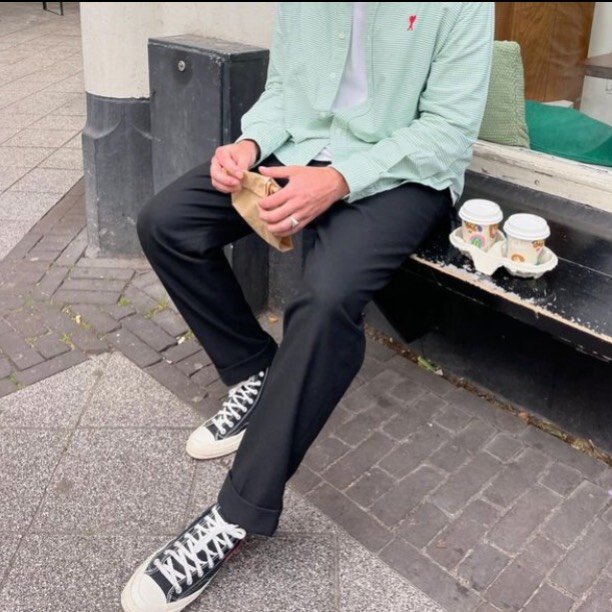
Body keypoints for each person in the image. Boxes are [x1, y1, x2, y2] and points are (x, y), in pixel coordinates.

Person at [121, 3, 494, 610]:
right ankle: (254, 373)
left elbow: (448, 131)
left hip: (402, 175)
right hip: (305, 147)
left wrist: (340, 179)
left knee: (324, 302)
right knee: (168, 223)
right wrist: (247, 145)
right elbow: (284, 92)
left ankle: (235, 516)